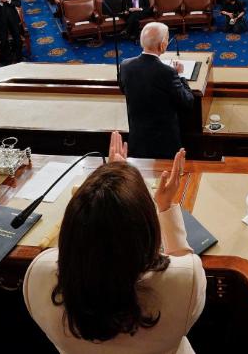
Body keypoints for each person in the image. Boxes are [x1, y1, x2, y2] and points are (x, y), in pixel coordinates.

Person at [24, 133, 203, 353]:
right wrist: (165, 207)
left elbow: (88, 242)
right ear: (146, 230)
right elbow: (181, 260)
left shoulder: (37, 275)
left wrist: (115, 176)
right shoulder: (186, 279)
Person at [117, 23, 195, 158]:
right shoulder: (168, 73)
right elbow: (187, 101)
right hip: (164, 142)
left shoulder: (125, 65)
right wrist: (180, 75)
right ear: (162, 45)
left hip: (138, 137)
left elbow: (124, 89)